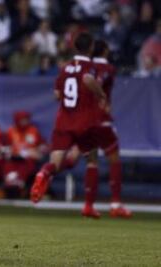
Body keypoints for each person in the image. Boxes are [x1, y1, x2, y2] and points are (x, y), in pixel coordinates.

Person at [30, 33, 106, 205]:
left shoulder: (66, 68)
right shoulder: (90, 66)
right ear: (91, 47)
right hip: (84, 122)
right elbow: (87, 79)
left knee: (55, 164)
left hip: (63, 121)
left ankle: (43, 173)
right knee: (92, 161)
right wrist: (100, 94)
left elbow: (57, 94)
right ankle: (89, 206)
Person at [62, 40, 132, 218]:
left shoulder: (85, 66)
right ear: (106, 51)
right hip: (101, 121)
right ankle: (115, 203)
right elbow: (95, 82)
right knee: (114, 159)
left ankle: (88, 205)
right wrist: (102, 99)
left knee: (91, 162)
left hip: (85, 121)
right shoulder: (107, 69)